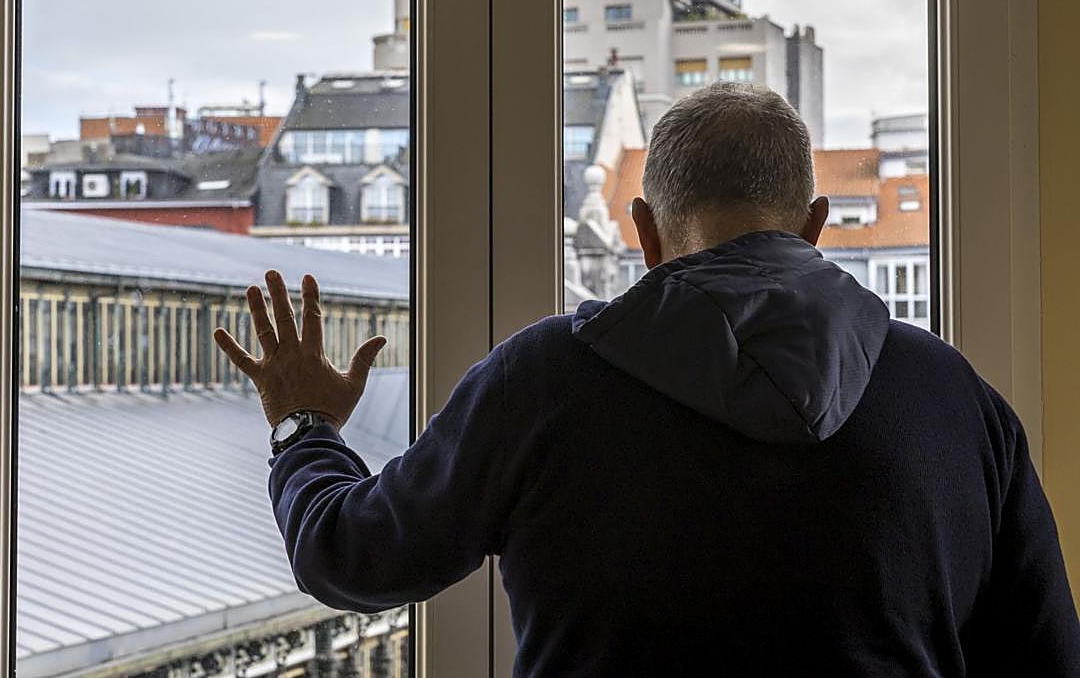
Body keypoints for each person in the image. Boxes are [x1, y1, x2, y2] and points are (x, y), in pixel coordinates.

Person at [214, 82, 1080, 676]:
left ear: (645, 232)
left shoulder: (543, 381)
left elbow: (349, 556)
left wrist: (302, 427)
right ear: (816, 225)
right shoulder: (958, 401)